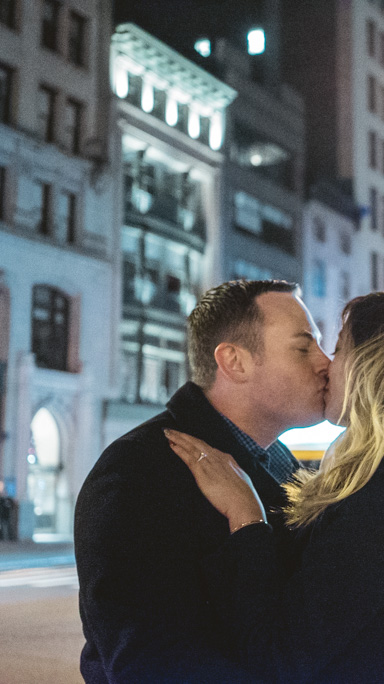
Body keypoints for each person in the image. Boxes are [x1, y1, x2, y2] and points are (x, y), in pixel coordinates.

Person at [166, 287, 384, 684]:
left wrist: (247, 517)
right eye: (308, 349)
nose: (326, 364)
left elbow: (279, 657)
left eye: (338, 348)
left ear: (377, 365)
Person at [74, 280, 330, 683]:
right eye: (303, 348)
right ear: (235, 361)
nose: (325, 362)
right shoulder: (139, 471)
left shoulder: (284, 464)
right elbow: (150, 660)